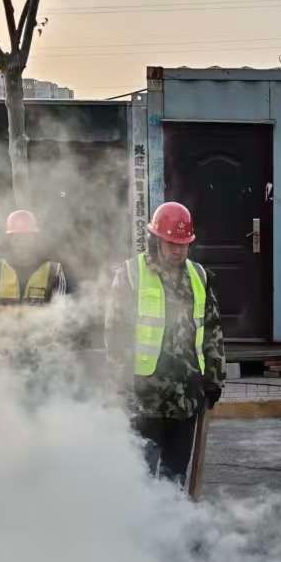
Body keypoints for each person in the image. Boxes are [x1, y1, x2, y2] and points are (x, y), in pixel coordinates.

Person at [104, 200, 225, 483]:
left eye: (184, 244)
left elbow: (213, 330)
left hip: (186, 396)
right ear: (156, 239)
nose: (178, 250)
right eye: (171, 243)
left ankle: (173, 525)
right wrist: (119, 384)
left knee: (175, 475)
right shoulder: (131, 275)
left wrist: (214, 379)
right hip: (144, 396)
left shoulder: (199, 276)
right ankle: (141, 526)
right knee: (141, 475)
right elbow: (116, 332)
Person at [0, 209, 67, 311]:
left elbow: (61, 314)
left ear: (34, 238)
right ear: (10, 239)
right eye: (17, 238)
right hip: (3, 327)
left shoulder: (53, 271)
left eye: (26, 237)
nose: (22, 243)